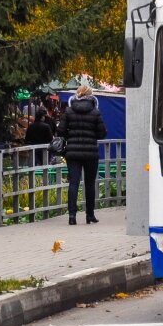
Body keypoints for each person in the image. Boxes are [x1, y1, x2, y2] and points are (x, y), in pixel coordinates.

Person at [57, 85, 107, 225]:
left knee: (73, 183)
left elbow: (60, 131)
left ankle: (72, 216)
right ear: (91, 96)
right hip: (91, 152)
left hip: (72, 152)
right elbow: (102, 133)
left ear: (77, 95)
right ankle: (89, 215)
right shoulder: (95, 112)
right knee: (90, 184)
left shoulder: (68, 110)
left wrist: (71, 136)